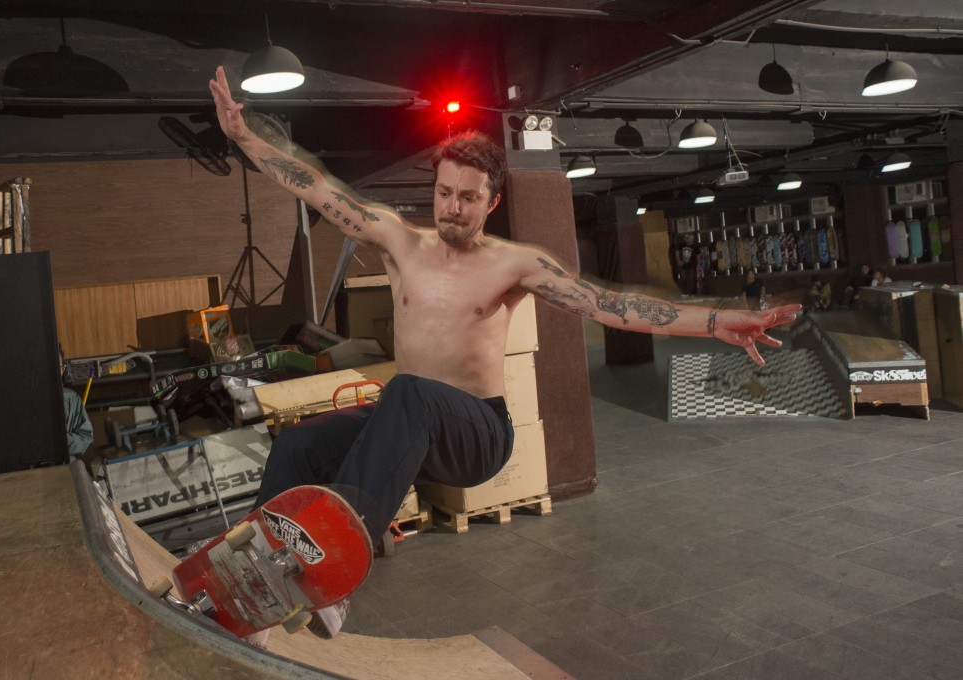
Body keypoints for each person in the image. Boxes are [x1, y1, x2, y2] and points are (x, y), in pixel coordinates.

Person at [209, 65, 799, 636]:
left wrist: (715, 320)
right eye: (444, 193)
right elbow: (316, 189)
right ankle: (261, 576)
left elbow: (609, 305)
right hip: (407, 426)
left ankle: (334, 579)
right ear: (433, 189)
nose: (453, 209)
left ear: (491, 203)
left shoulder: (514, 265)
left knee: (409, 393)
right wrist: (244, 138)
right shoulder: (398, 242)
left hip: (478, 436)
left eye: (468, 198)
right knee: (300, 442)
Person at [59, 345, 93, 460]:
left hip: (65, 466)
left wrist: (64, 439)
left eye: (60, 366)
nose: (57, 370)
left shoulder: (71, 398)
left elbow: (86, 437)